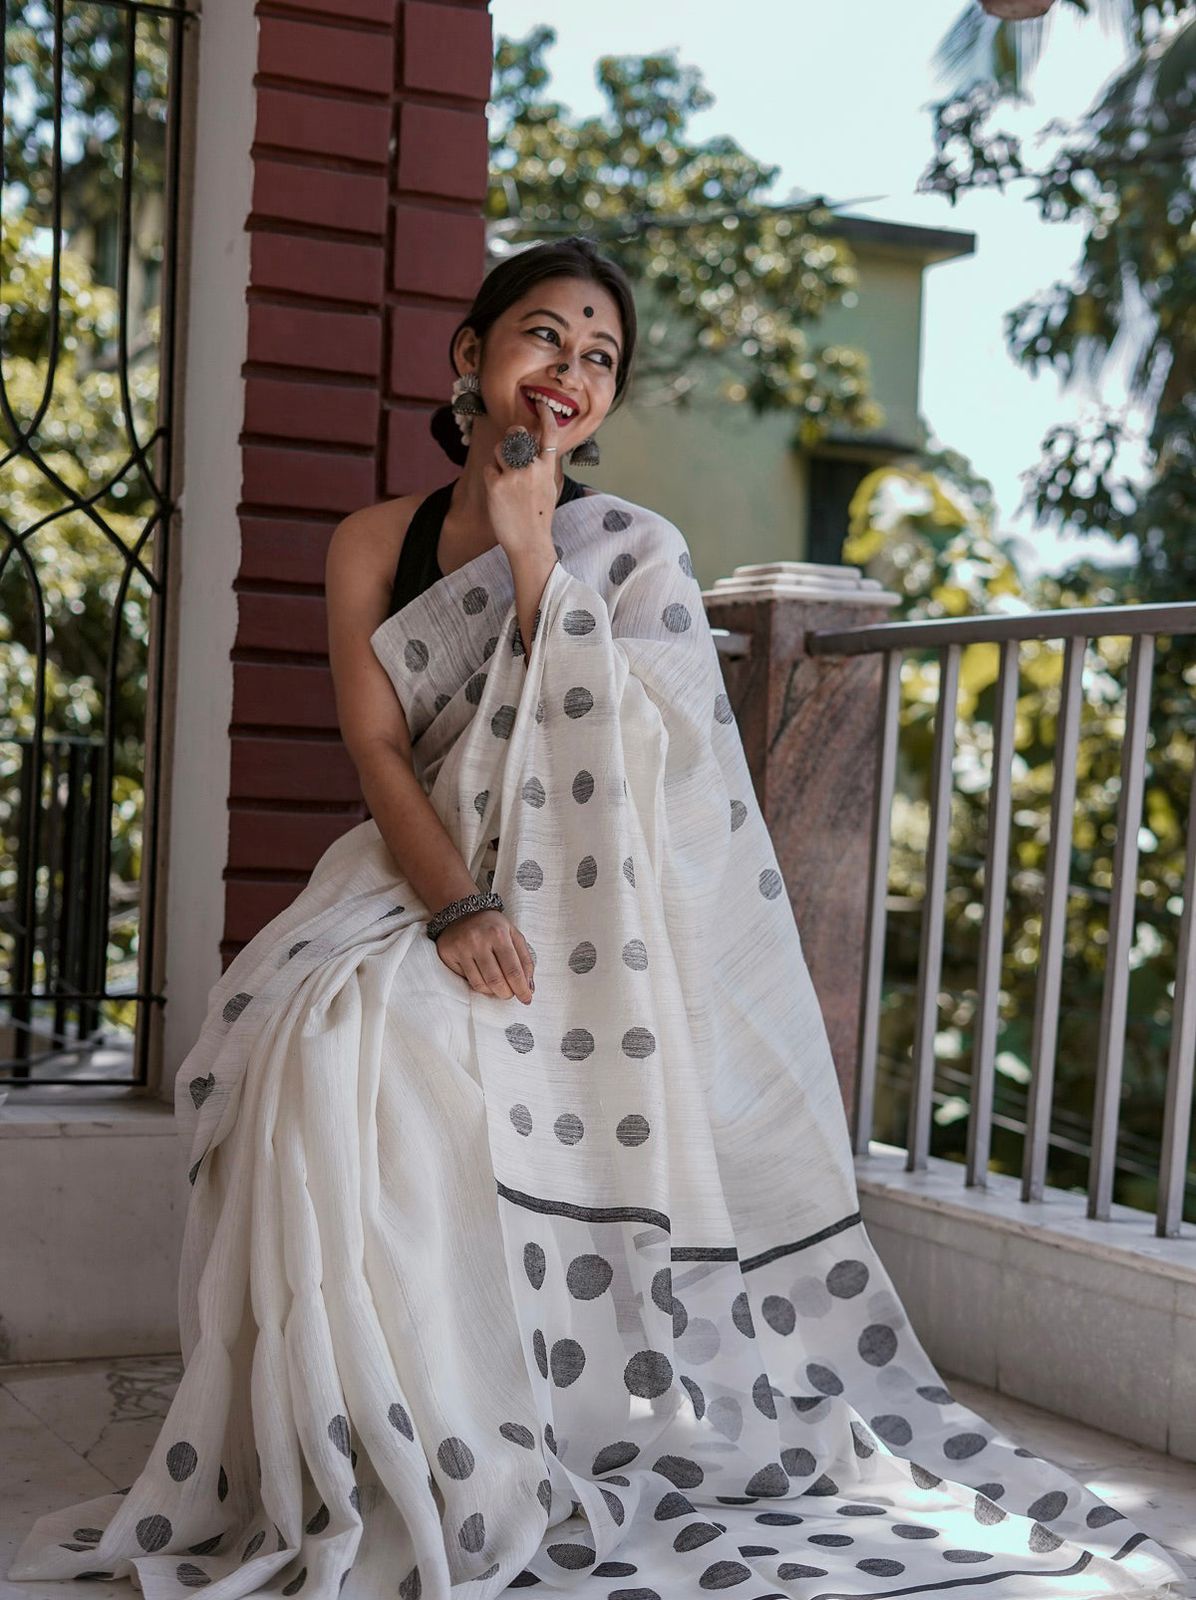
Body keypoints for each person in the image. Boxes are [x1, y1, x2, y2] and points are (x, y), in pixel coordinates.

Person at [7, 236, 1189, 1600]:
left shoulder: (628, 551)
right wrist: (453, 901)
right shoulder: (367, 545)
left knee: (414, 1060)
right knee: (320, 1046)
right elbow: (380, 750)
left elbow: (651, 762)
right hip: (417, 873)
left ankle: (518, 1426)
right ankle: (385, 1452)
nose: (567, 372)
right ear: (470, 355)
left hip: (597, 909)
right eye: (543, 338)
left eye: (599, 357)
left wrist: (531, 555)